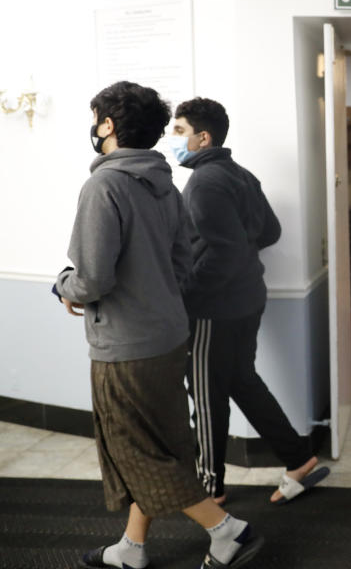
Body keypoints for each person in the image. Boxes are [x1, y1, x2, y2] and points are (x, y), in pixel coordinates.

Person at [54, 82, 262, 569]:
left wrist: (64, 285)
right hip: (170, 337)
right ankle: (132, 547)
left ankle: (226, 530)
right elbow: (185, 262)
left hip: (125, 346)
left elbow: (92, 277)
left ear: (107, 125)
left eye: (96, 117)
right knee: (163, 443)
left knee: (135, 452)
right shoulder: (166, 183)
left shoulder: (103, 185)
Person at [170, 97, 328, 506]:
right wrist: (239, 253)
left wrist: (189, 294)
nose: (172, 139)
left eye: (179, 131)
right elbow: (269, 233)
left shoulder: (203, 182)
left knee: (206, 394)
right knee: (241, 380)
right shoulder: (240, 174)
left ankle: (208, 487)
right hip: (247, 299)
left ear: (203, 138)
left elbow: (224, 251)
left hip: (213, 308)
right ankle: (298, 457)